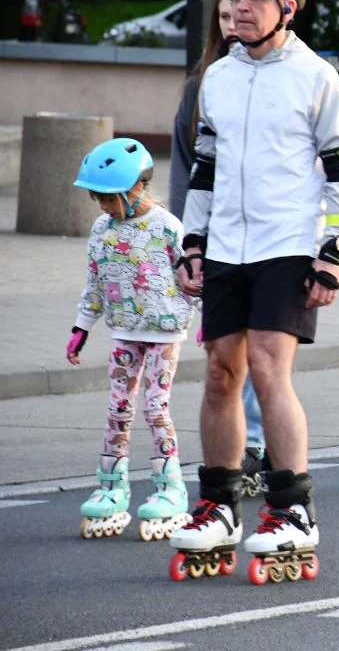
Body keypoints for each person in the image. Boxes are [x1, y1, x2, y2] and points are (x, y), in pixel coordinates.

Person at [170, 0, 339, 583]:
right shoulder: (219, 78)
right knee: (220, 372)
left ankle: (293, 509)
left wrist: (331, 252)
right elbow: (205, 168)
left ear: (287, 7)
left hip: (288, 243)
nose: (239, 8)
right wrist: (192, 242)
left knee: (270, 369)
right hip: (227, 245)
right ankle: (219, 506)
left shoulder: (316, 77)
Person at [168, 0, 271, 497]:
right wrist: (183, 242)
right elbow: (186, 168)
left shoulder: (279, 78)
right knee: (223, 356)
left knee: (261, 350)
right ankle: (234, 449)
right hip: (214, 237)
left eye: (240, 14)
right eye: (224, 17)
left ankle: (254, 442)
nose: (234, 23)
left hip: (267, 238)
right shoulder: (203, 86)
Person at [68, 138, 196, 542]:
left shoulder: (168, 227)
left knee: (156, 408)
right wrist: (81, 328)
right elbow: (94, 282)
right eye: (98, 199)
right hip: (123, 330)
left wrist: (208, 318)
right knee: (117, 409)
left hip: (164, 332)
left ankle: (170, 488)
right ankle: (112, 487)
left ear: (137, 187)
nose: (103, 207)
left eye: (109, 198)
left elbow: (193, 278)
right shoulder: (101, 230)